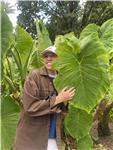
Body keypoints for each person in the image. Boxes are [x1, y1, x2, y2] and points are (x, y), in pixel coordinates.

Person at [13, 46, 75, 150]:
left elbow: (63, 109)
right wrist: (58, 99)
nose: (48, 58)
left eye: (53, 55)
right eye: (46, 56)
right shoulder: (34, 76)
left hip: (54, 136)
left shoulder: (63, 78)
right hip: (32, 138)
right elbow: (30, 107)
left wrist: (65, 102)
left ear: (60, 58)